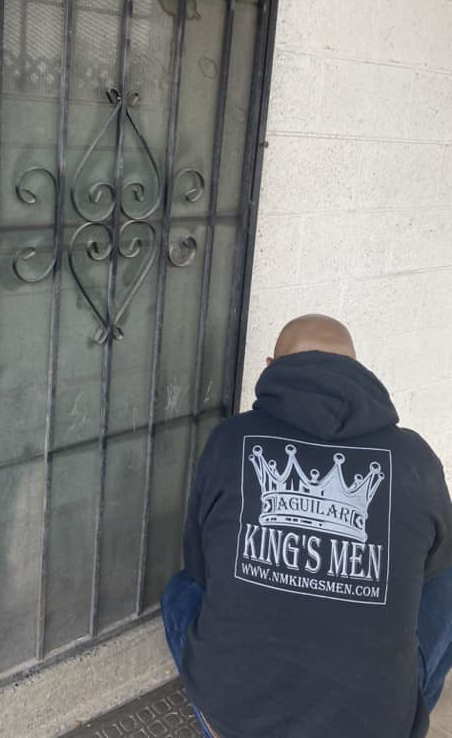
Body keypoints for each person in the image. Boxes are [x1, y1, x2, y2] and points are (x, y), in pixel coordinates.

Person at [162, 314, 452, 738]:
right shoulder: (415, 460)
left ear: (270, 366)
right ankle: (408, 705)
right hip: (375, 726)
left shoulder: (229, 440)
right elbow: (431, 567)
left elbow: (201, 567)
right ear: (354, 368)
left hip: (233, 720)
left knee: (180, 590)